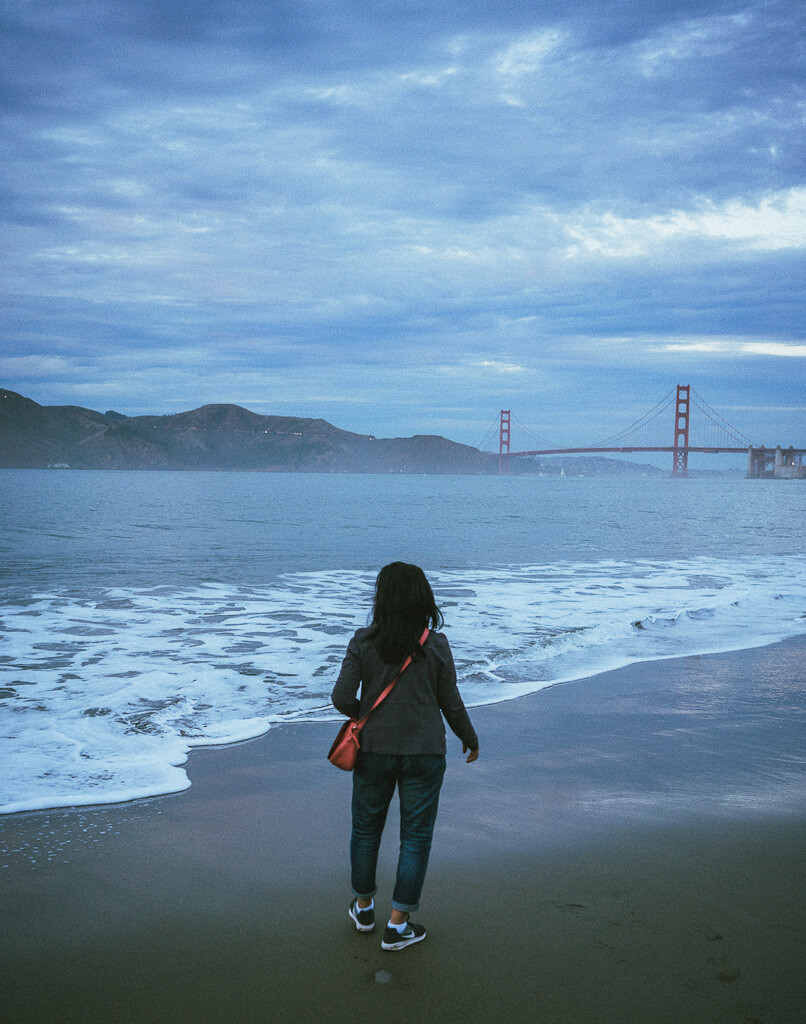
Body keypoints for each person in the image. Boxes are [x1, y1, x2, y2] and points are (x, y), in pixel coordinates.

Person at [331, 561, 479, 952]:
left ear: (382, 599)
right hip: (425, 752)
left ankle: (363, 910)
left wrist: (367, 715)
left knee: (365, 831)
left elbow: (341, 697)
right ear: (422, 599)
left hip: (373, 752)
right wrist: (469, 737)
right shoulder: (436, 644)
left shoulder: (363, 641)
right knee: (415, 839)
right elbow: (451, 701)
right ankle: (397, 926)